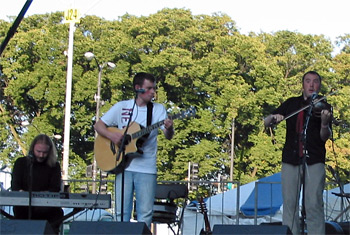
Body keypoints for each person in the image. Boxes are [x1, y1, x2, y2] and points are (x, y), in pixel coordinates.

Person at [94, 72, 174, 228]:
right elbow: (98, 126)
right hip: (122, 166)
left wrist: (170, 128)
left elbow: (168, 135)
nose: (153, 92)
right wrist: (113, 137)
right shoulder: (122, 106)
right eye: (149, 88)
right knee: (121, 213)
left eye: (154, 88)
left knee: (145, 213)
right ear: (138, 88)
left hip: (146, 168)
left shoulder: (158, 110)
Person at [264, 71, 332, 235]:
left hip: (314, 159)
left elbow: (325, 137)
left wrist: (324, 123)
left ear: (319, 85)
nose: (311, 84)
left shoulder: (324, 105)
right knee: (290, 204)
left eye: (315, 82)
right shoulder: (291, 103)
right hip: (291, 159)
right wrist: (274, 117)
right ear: (302, 85)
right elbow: (266, 121)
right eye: (308, 81)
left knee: (313, 204)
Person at [11, 134, 63, 234]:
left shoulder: (54, 166)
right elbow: (15, 186)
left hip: (47, 210)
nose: (41, 155)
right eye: (38, 151)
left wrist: (42, 196)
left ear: (50, 152)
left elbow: (55, 188)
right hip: (23, 210)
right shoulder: (21, 163)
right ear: (32, 148)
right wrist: (23, 194)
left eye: (45, 152)